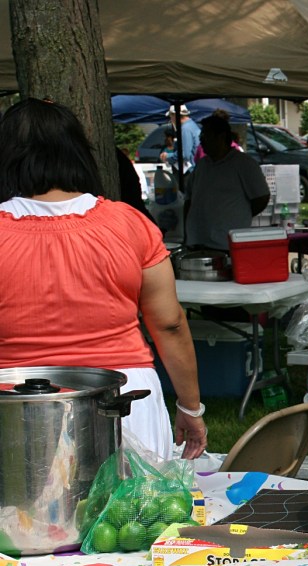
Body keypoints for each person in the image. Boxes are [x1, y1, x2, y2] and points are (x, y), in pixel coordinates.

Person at [0, 98, 207, 461]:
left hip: (16, 405)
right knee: (137, 517)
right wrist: (191, 408)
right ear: (78, 154)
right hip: (126, 399)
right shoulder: (129, 224)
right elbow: (170, 324)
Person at [185, 115, 270, 252]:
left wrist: (239, 215)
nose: (201, 140)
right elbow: (189, 199)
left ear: (221, 137)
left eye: (206, 135)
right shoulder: (202, 165)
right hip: (198, 241)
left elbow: (261, 197)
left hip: (226, 244)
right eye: (201, 135)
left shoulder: (243, 164)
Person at [161, 104, 200, 173]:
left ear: (175, 115)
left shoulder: (185, 129)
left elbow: (185, 155)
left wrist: (167, 156)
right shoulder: (192, 125)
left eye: (171, 116)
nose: (171, 119)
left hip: (190, 171)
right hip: (196, 169)